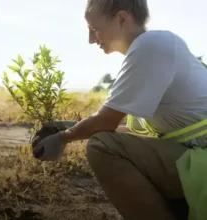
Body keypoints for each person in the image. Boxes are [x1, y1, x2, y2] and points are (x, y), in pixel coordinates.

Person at [32, 0, 207, 219]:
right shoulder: (157, 46)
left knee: (103, 147)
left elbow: (107, 122)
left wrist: (63, 138)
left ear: (122, 19)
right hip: (195, 156)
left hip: (202, 163)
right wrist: (72, 127)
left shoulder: (151, 46)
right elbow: (133, 134)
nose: (90, 39)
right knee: (108, 140)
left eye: (94, 29)